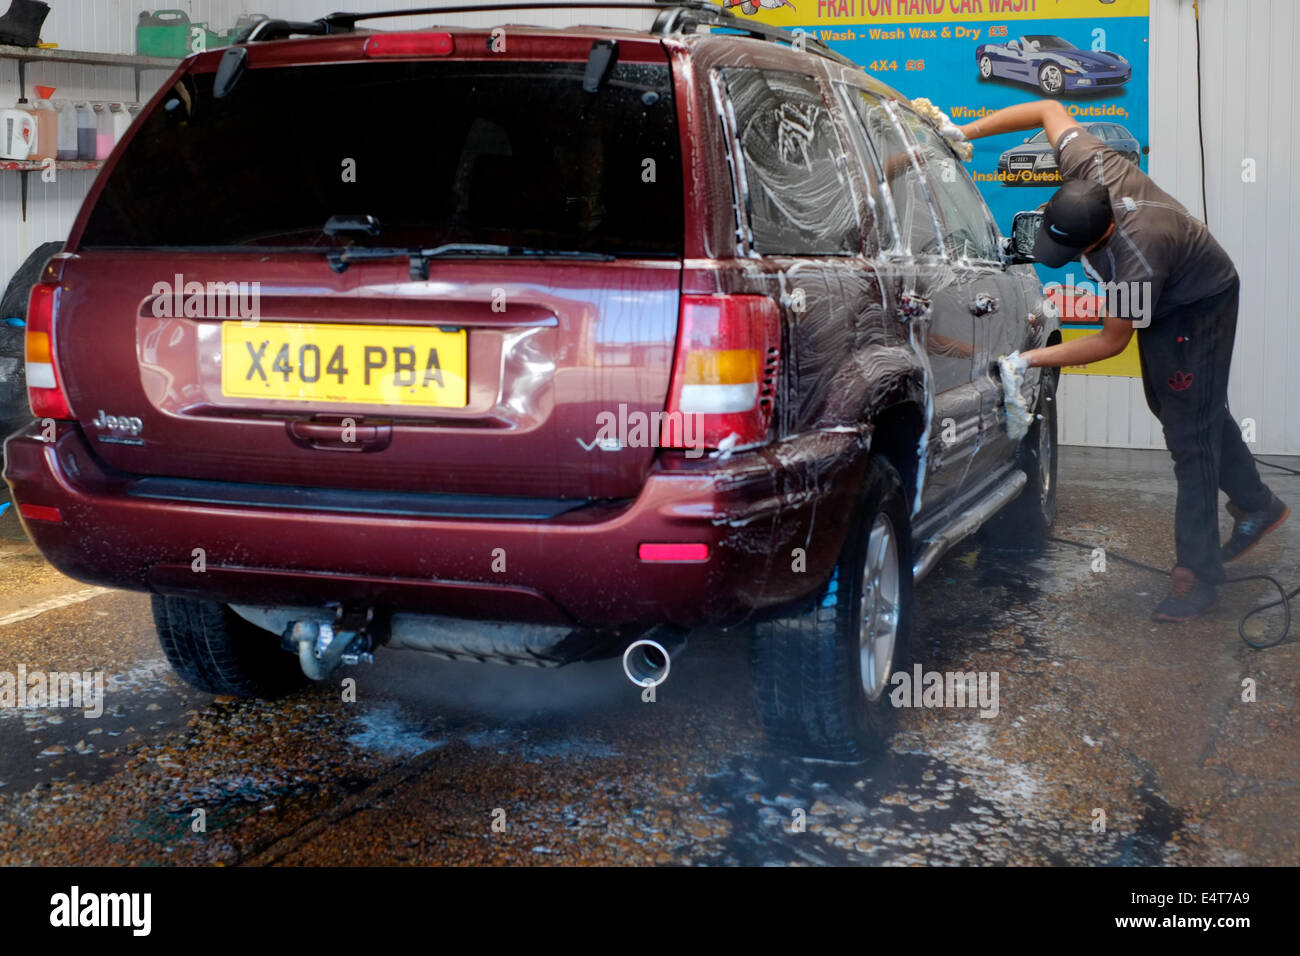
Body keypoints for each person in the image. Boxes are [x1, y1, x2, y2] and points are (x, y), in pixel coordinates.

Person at [948, 99, 1288, 622]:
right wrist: (959, 134)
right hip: (1173, 289)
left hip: (1197, 305)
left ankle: (1196, 578)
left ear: (1099, 235)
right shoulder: (1089, 163)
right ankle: (1257, 502)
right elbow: (1047, 106)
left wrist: (1027, 358)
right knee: (1178, 405)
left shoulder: (1136, 260)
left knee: (1189, 438)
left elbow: (1111, 342)